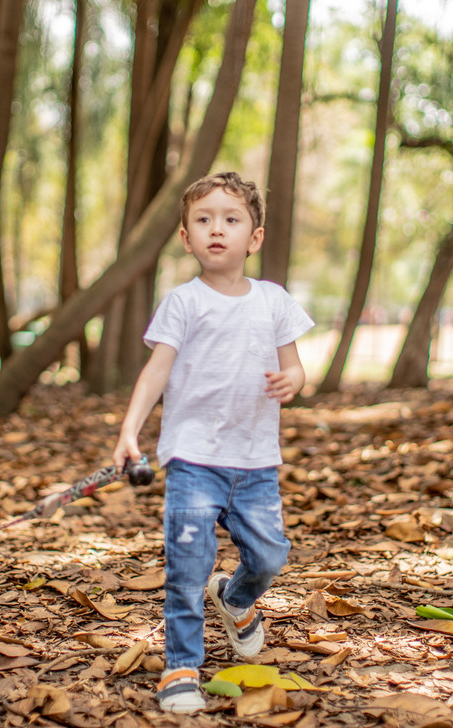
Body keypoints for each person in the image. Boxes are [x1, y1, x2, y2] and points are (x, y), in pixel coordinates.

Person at [111, 171, 314, 714]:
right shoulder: (183, 303)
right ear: (186, 237)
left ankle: (237, 598)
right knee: (187, 566)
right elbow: (156, 373)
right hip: (193, 459)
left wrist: (291, 381)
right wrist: (131, 430)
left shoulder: (273, 302)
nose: (216, 230)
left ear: (255, 237)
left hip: (254, 462)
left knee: (271, 554)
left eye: (231, 219)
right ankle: (181, 667)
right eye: (203, 220)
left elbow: (296, 369)